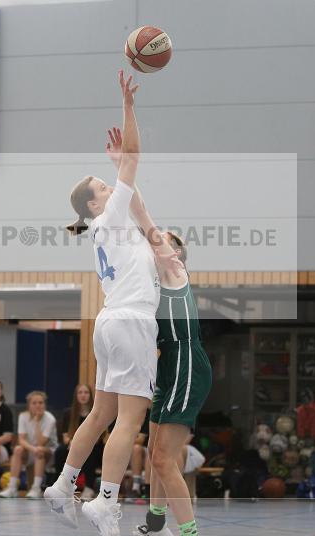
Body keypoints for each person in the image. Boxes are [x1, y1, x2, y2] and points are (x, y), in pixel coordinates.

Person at [45, 71, 180, 536]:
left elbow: (135, 190)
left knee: (100, 413)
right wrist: (128, 105)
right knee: (129, 418)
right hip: (131, 323)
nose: (111, 185)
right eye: (104, 185)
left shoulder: (107, 226)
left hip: (108, 322)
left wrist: (120, 164)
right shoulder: (109, 218)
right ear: (96, 203)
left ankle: (63, 484)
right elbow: (136, 159)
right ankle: (106, 501)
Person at [103, 127, 213, 536]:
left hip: (187, 362)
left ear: (175, 251)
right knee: (153, 452)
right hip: (168, 365)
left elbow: (142, 214)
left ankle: (188, 532)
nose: (156, 239)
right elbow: (141, 216)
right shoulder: (150, 279)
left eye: (164, 238)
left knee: (166, 458)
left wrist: (124, 169)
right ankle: (155, 522)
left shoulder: (172, 266)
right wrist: (122, 168)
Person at [0, 391, 58, 498]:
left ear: (44, 404)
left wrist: (36, 421)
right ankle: (12, 488)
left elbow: (41, 442)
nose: (38, 405)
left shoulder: (50, 419)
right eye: (34, 403)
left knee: (39, 450)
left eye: (41, 403)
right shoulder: (23, 416)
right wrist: (33, 449)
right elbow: (21, 440)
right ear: (29, 405)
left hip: (49, 452)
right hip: (31, 450)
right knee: (18, 449)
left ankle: (36, 488)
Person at [54, 384, 101, 500]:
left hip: (93, 445)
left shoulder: (96, 413)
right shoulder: (68, 413)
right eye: (80, 392)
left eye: (86, 392)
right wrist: (73, 444)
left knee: (88, 451)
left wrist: (82, 445)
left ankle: (89, 487)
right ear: (76, 395)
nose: (83, 395)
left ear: (91, 395)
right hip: (72, 445)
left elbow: (99, 436)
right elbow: (65, 436)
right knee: (60, 451)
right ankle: (62, 486)